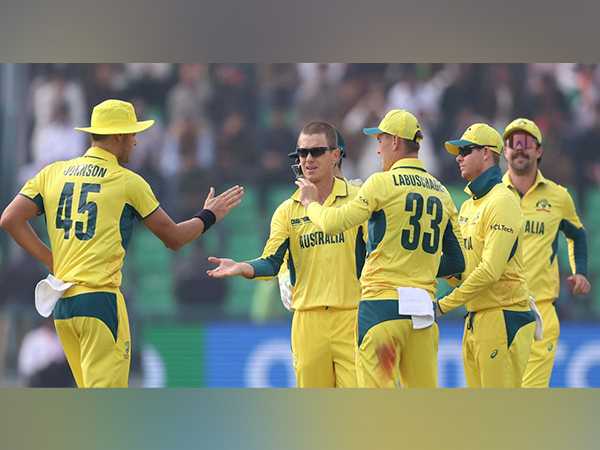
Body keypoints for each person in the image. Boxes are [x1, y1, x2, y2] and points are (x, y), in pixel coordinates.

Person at [0, 99, 244, 388]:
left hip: (63, 305)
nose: (136, 142)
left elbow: (10, 219)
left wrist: (52, 260)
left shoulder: (52, 173)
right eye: (132, 134)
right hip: (101, 303)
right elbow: (174, 238)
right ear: (117, 136)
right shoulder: (128, 182)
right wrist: (209, 216)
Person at [296, 110, 464, 388]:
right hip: (422, 312)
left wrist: (310, 203)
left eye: (381, 140)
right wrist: (418, 265)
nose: (378, 149)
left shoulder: (380, 183)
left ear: (396, 142)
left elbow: (333, 223)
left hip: (381, 309)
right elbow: (458, 262)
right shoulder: (442, 192)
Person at [207, 121, 365, 388]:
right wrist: (242, 266)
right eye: (302, 153)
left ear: (335, 155)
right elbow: (271, 262)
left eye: (316, 151)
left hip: (352, 316)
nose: (308, 159)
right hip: (307, 322)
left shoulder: (359, 199)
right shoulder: (287, 210)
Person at [437, 123, 536, 388]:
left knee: (500, 418)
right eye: (458, 152)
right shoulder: (469, 205)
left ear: (487, 153)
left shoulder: (502, 200)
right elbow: (468, 272)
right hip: (476, 318)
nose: (458, 157)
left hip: (503, 316)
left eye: (465, 150)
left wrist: (443, 305)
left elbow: (491, 271)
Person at [502, 118, 590, 388]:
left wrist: (580, 273)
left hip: (541, 310)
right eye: (513, 143)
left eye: (526, 142)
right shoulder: (492, 195)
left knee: (530, 398)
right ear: (504, 151)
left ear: (539, 150)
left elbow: (577, 234)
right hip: (498, 311)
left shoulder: (558, 197)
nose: (519, 148)